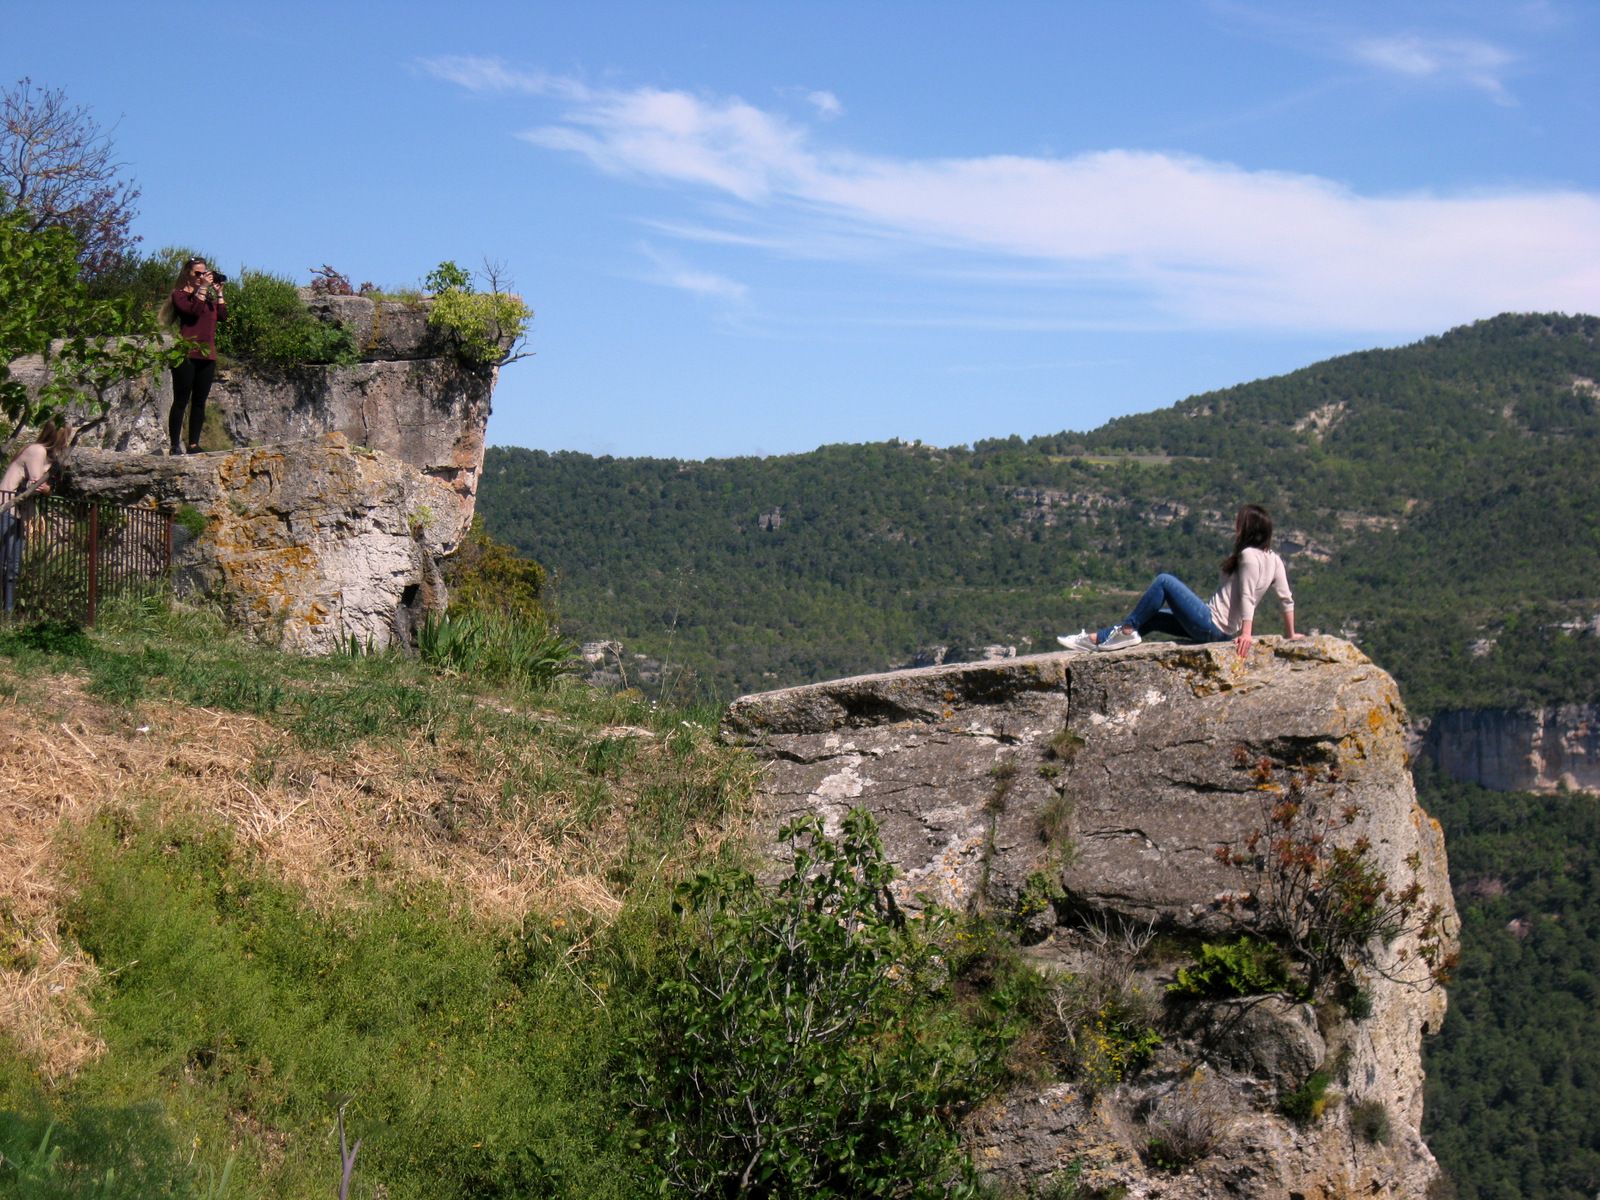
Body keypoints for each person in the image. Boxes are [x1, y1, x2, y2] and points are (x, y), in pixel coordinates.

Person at [1058, 504, 1300, 659]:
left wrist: (1247, 633)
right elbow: (1286, 600)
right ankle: (1097, 639)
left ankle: (1126, 630)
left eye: (1239, 522)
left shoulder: (1248, 556)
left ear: (1248, 527)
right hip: (1221, 631)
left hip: (1211, 624)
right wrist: (1290, 634)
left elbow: (1247, 595)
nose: (1235, 526)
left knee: (1164, 581)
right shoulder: (1275, 560)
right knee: (1151, 616)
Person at [0, 420, 72, 613]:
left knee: (13, 565)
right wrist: (47, 486)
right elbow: (36, 483)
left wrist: (47, 487)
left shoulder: (47, 457)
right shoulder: (37, 451)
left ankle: (7, 611)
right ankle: (5, 610)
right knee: (7, 562)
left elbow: (44, 487)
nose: (67, 441)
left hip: (19, 514)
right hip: (7, 507)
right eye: (66, 436)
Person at [163, 256, 226, 455]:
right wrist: (203, 289)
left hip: (207, 356)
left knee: (199, 401)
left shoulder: (207, 298)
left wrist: (219, 294)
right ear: (188, 275)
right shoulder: (179, 295)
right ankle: (175, 444)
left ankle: (193, 444)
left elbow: (222, 316)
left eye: (203, 273)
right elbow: (193, 312)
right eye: (197, 273)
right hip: (186, 353)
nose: (201, 277)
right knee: (181, 400)